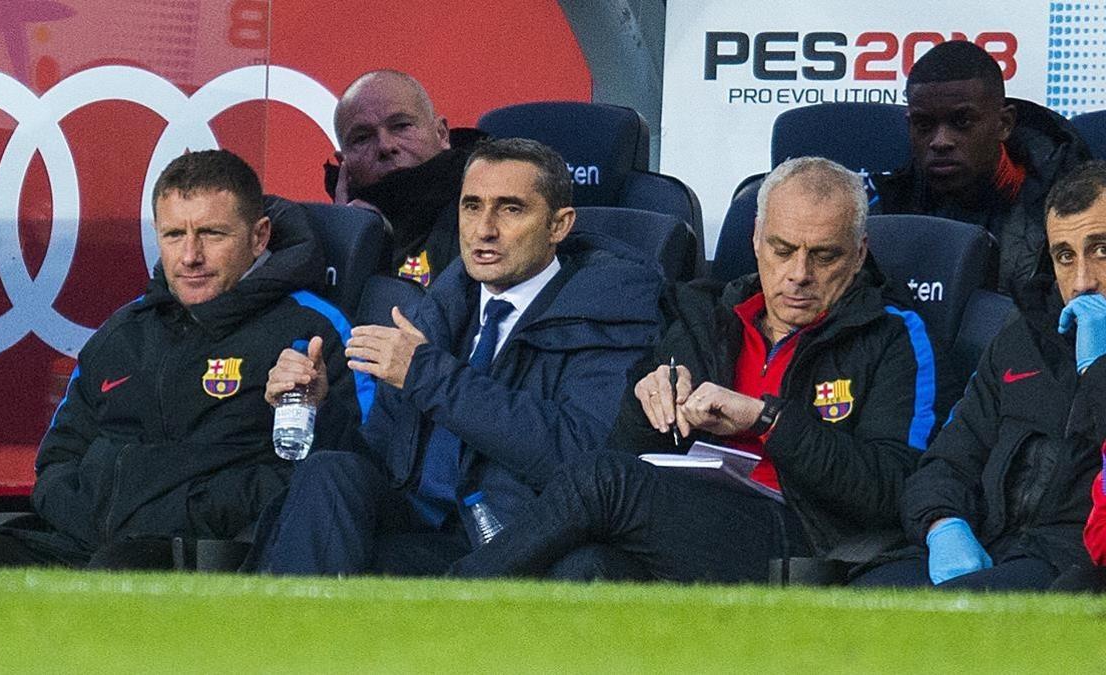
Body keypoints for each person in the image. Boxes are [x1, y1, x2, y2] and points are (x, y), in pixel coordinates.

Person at [450, 156, 941, 583]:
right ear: (755, 240)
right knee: (585, 568)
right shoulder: (707, 315)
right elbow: (631, 451)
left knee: (605, 480)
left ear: (858, 255)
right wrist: (647, 405)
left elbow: (893, 489)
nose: (798, 274)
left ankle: (448, 600)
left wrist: (764, 420)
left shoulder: (891, 334)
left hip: (805, 539)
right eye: (783, 249)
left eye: (824, 256)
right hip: (692, 522)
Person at [0, 149, 362, 570]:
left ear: (259, 236)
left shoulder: (312, 330)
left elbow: (337, 476)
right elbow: (58, 459)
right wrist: (87, 513)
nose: (190, 256)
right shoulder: (121, 333)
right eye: (174, 234)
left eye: (211, 234)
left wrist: (190, 513)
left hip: (204, 551)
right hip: (82, 542)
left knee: (120, 566)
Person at [251, 138, 665, 576]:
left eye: (510, 209)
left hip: (517, 542)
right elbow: (378, 457)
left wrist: (429, 374)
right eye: (471, 206)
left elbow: (579, 456)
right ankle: (288, 639)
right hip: (421, 530)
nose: (484, 229)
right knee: (329, 472)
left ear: (559, 226)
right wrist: (319, 409)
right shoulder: (444, 305)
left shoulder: (608, 309)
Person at [854, 160, 1106, 591]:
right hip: (989, 543)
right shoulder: (1021, 340)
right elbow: (946, 461)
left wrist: (1098, 370)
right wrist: (942, 524)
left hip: (1072, 566)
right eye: (1064, 256)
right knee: (857, 601)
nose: (1081, 281)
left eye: (1101, 250)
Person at [870, 40, 1092, 297]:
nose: (940, 141)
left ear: (1004, 124)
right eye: (923, 125)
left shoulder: (1075, 208)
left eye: (962, 121)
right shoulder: (887, 204)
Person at [325, 69, 488, 286]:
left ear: (442, 134)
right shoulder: (323, 240)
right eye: (362, 138)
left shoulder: (488, 209)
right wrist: (346, 241)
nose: (385, 146)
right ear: (343, 164)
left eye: (401, 126)